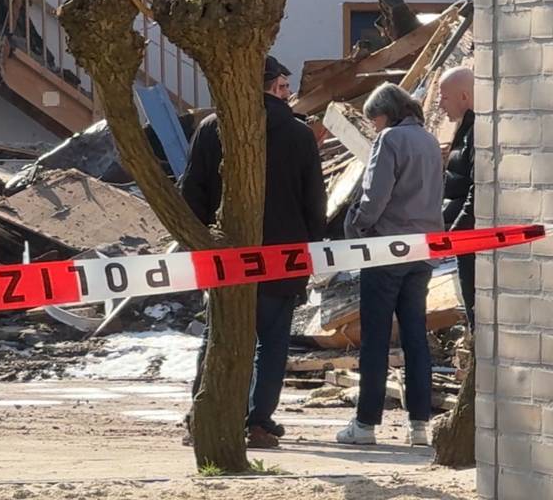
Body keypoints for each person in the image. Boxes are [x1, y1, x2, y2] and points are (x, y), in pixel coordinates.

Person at [181, 55, 327, 449]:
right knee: (272, 342)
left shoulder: (212, 128)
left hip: (224, 256)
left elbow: (191, 193)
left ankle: (203, 415)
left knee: (218, 336)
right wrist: (312, 250)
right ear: (273, 84)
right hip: (282, 257)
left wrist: (198, 246)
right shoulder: (298, 134)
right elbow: (315, 201)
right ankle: (259, 421)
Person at [335, 83, 443, 447]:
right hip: (422, 251)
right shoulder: (428, 140)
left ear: (386, 113)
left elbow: (375, 196)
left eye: (374, 120)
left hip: (385, 250)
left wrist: (357, 226)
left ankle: (365, 424)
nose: (374, 128)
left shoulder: (390, 140)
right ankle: (419, 425)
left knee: (376, 339)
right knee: (415, 337)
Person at [438, 66, 475, 329]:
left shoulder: (476, 131)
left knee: (476, 308)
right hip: (463, 239)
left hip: (471, 240)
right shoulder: (464, 128)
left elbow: (477, 186)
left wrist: (459, 228)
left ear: (463, 96)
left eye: (444, 97)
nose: (439, 105)